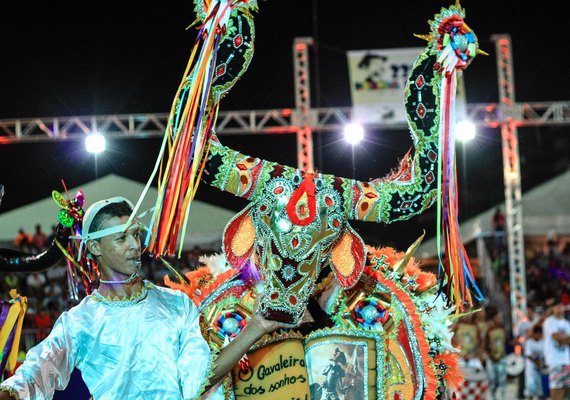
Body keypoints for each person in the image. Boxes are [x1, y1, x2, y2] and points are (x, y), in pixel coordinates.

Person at [0, 196, 291, 400]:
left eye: (136, 235)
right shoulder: (79, 322)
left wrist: (258, 327)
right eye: (121, 238)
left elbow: (197, 380)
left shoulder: (176, 304)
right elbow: (34, 374)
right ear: (95, 248)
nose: (134, 245)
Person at [542, 301, 570, 400]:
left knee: (566, 390)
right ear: (553, 309)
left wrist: (564, 338)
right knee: (556, 388)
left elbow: (564, 339)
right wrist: (564, 338)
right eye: (556, 306)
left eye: (560, 306)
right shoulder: (549, 322)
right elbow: (557, 337)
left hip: (566, 360)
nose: (559, 308)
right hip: (554, 360)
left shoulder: (567, 323)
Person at [484, 307, 508, 400]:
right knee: (492, 380)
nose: (500, 318)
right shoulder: (489, 329)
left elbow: (506, 342)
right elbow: (485, 343)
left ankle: (502, 397)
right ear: (494, 318)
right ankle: (493, 397)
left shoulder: (502, 328)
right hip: (491, 358)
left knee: (502, 380)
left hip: (501, 357)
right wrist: (489, 354)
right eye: (498, 317)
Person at [524, 324, 545, 400]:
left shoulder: (543, 343)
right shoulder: (529, 343)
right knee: (531, 389)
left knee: (541, 391)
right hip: (531, 371)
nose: (538, 335)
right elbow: (528, 356)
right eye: (537, 334)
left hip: (540, 370)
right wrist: (537, 362)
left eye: (540, 334)